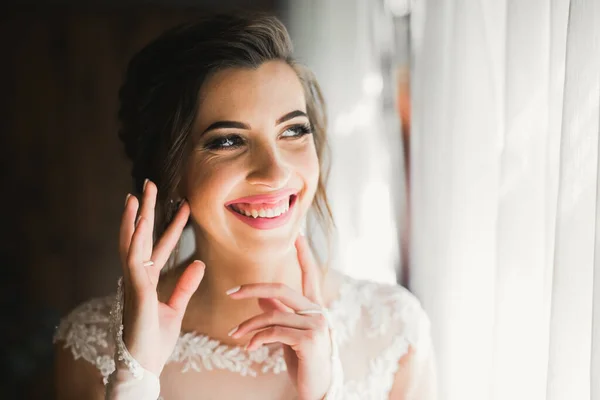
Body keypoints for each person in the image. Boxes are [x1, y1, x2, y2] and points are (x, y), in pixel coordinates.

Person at [53, 12, 437, 400]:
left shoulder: (393, 329)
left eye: (293, 130)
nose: (274, 173)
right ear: (171, 172)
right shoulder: (92, 347)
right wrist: (135, 379)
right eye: (227, 141)